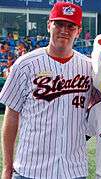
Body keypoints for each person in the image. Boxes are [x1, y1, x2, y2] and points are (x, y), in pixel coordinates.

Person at [0, 2, 93, 179]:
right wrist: (7, 167)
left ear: (78, 31)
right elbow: (11, 115)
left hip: (73, 170)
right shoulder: (25, 64)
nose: (64, 30)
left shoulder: (89, 68)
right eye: (59, 23)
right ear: (49, 25)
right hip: (30, 170)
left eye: (71, 25)